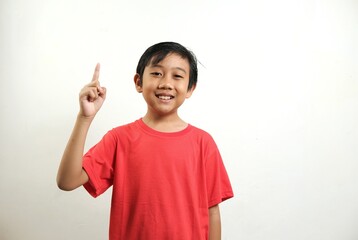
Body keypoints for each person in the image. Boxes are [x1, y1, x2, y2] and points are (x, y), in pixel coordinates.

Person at [57, 42, 234, 240]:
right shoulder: (119, 139)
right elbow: (67, 181)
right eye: (157, 73)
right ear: (138, 82)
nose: (166, 83)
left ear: (190, 88)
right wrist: (85, 118)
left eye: (177, 76)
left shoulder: (203, 143)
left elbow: (212, 211)